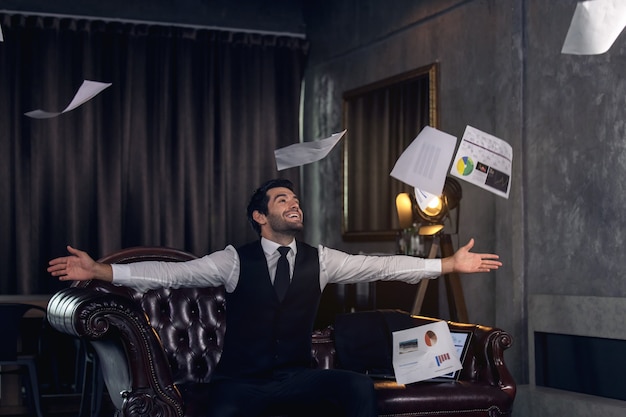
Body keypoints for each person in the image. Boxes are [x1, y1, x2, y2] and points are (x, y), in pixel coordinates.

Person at [48, 178, 502, 417]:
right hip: (240, 384)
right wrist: (100, 270)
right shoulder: (232, 261)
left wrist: (446, 265)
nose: (294, 203)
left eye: (295, 198)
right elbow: (170, 274)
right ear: (260, 216)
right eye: (282, 199)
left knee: (358, 387)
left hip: (297, 377)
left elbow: (382, 265)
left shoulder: (320, 260)